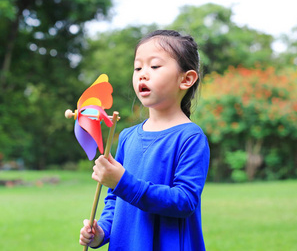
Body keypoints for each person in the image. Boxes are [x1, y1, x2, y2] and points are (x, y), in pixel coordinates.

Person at [79, 30, 210, 250]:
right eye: (138, 68)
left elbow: (185, 201)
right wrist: (102, 231)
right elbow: (115, 199)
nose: (142, 74)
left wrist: (122, 182)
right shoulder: (127, 137)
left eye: (155, 66)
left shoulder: (190, 137)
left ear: (186, 79)